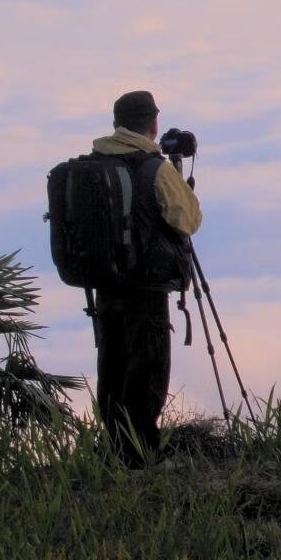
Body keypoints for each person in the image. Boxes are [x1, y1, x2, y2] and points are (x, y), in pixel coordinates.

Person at [89, 89, 201, 465]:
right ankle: (142, 455)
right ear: (153, 123)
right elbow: (187, 221)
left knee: (113, 362)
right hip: (147, 284)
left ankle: (117, 448)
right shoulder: (156, 169)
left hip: (103, 283)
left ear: (117, 124)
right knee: (148, 367)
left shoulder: (94, 163)